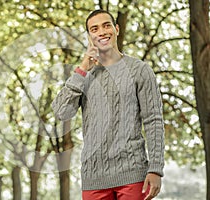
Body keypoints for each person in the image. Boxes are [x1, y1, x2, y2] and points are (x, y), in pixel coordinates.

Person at [52, 9, 165, 200]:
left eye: (106, 25)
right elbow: (61, 112)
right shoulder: (83, 76)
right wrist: (83, 68)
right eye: (94, 29)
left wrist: (155, 168)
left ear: (117, 29)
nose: (102, 32)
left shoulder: (140, 70)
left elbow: (153, 120)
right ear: (89, 36)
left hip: (132, 173)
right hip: (94, 177)